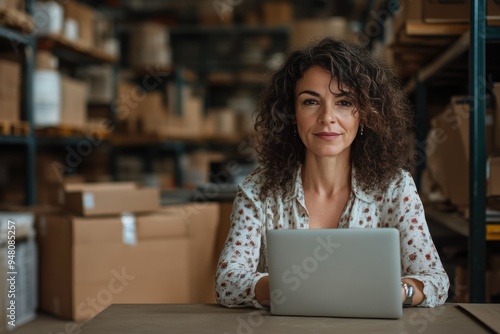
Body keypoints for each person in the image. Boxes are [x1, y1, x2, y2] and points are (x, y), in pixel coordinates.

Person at [215, 37, 450, 309]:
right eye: (310, 102)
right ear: (291, 114)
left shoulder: (395, 187)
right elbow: (226, 282)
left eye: (345, 102)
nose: (327, 117)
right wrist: (287, 288)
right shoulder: (259, 189)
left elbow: (435, 281)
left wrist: (396, 293)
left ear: (365, 113)